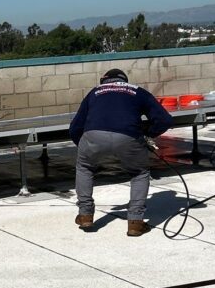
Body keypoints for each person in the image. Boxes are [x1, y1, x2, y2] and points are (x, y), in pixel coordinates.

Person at [69, 68, 173, 236]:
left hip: (93, 136)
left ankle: (85, 215)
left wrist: (82, 145)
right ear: (124, 80)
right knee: (139, 172)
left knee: (84, 167)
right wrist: (147, 135)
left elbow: (75, 127)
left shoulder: (94, 92)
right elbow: (165, 120)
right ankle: (135, 223)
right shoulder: (137, 91)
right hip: (128, 135)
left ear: (105, 80)